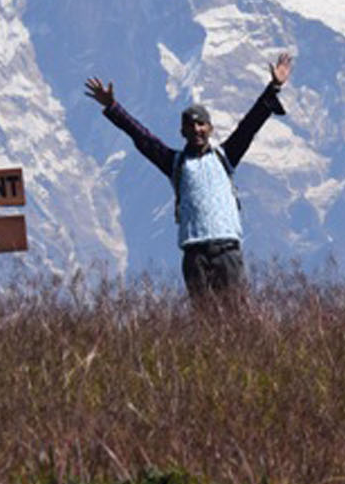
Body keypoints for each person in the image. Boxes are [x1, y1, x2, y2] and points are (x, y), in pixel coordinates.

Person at [85, 52, 292, 302]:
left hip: (228, 250)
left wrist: (274, 86)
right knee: (204, 321)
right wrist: (113, 107)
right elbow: (141, 137)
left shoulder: (225, 157)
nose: (196, 129)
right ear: (182, 131)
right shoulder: (175, 163)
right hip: (195, 254)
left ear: (210, 129)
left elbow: (250, 124)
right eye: (191, 126)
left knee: (238, 318)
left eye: (201, 124)